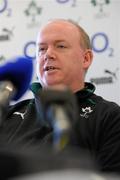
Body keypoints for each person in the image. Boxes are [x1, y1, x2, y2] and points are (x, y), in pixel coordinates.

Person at [1, 19, 120, 173]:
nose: (48, 54)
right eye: (42, 49)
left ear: (86, 58)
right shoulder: (7, 116)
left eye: (61, 46)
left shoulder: (110, 117)